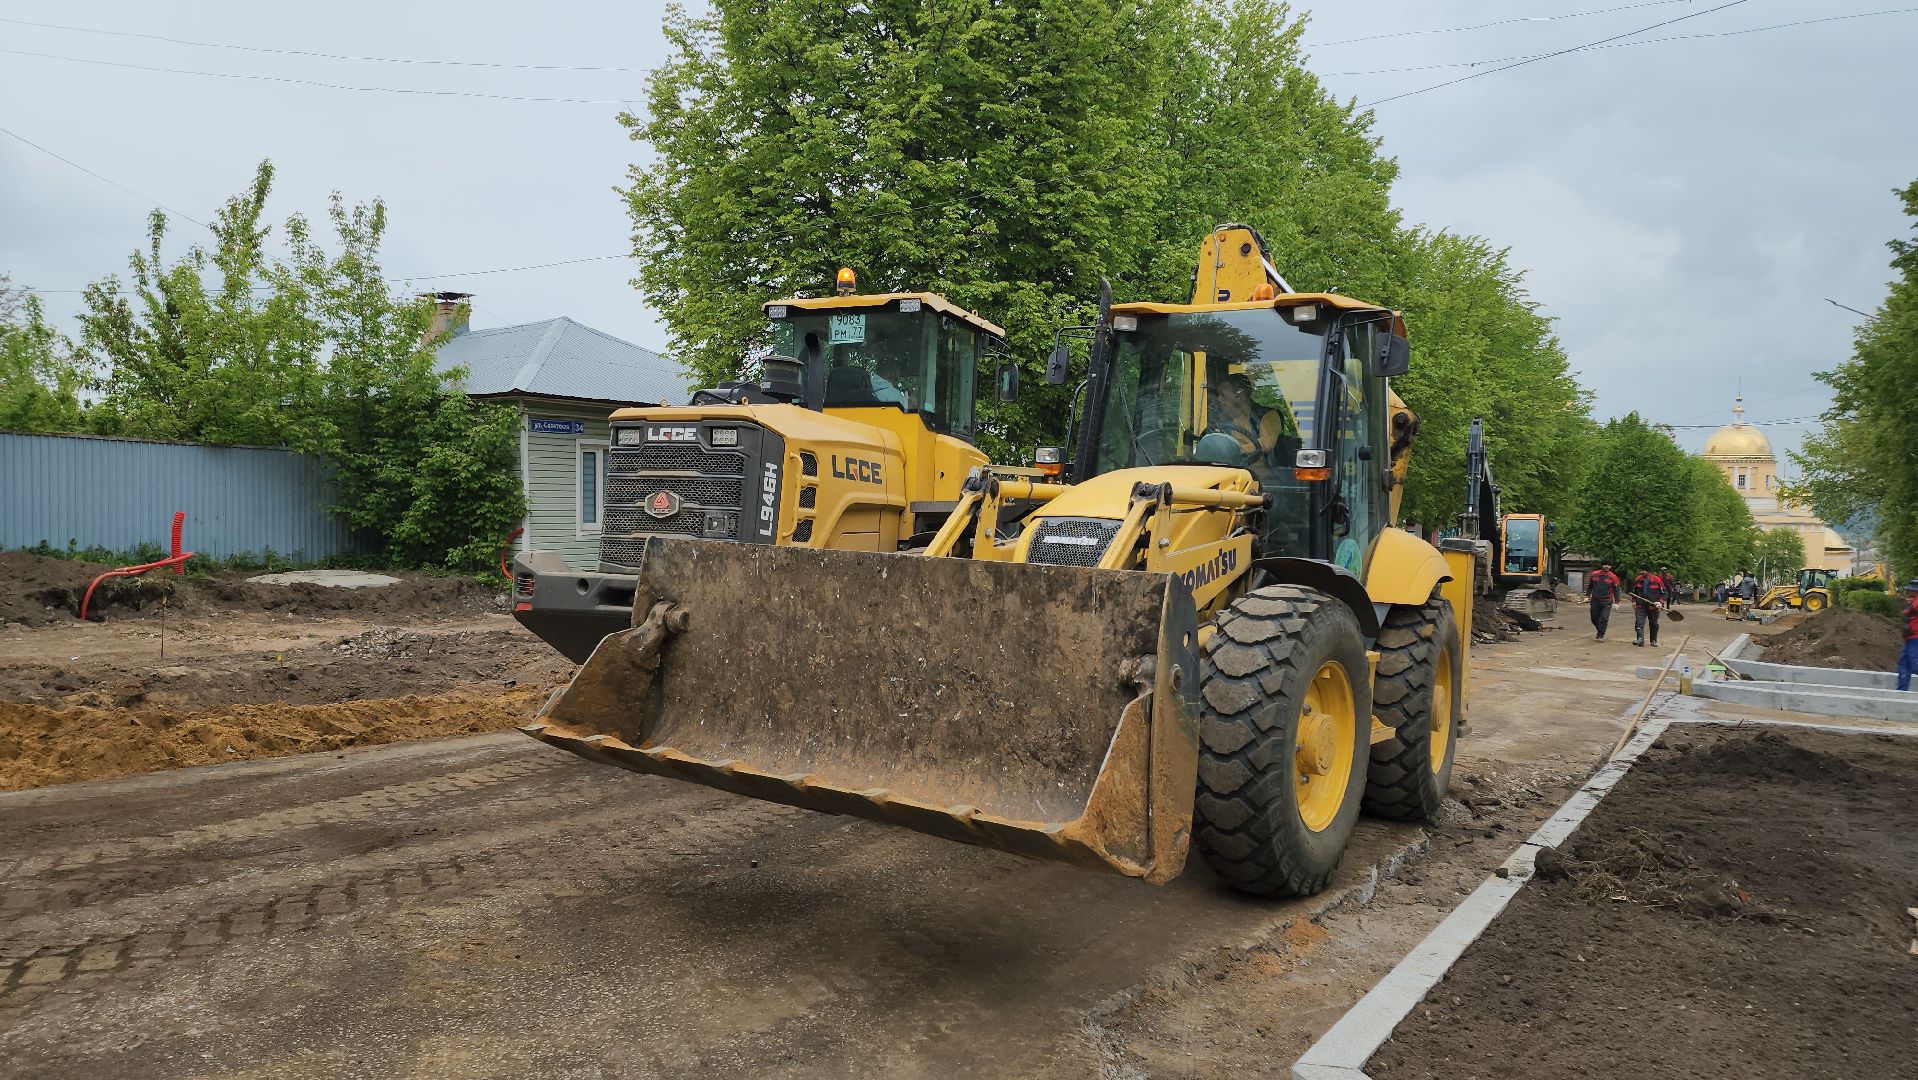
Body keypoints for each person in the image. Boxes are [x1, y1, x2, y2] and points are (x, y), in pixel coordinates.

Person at [1630, 564, 1669, 647]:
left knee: (1654, 624)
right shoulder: (1638, 579)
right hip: (1641, 605)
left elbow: (1665, 593)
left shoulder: (1657, 580)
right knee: (1639, 623)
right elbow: (1634, 592)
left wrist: (1660, 602)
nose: (1641, 572)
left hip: (1653, 606)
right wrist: (1633, 601)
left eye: (1643, 570)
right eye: (1641, 570)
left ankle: (1653, 640)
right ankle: (1640, 639)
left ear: (1648, 571)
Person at [1586, 561, 1623, 641]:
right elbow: (1590, 586)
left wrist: (1617, 602)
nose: (1607, 566)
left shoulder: (1613, 577)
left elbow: (1616, 590)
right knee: (1594, 618)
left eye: (1609, 565)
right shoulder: (1594, 574)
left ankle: (1601, 635)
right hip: (1595, 600)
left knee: (1604, 618)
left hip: (1606, 600)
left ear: (1610, 567)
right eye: (1605, 565)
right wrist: (1587, 596)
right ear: (1602, 565)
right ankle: (1600, 629)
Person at [1899, 580, 1918, 692]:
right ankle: (1901, 692)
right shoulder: (1913, 601)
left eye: (1910, 589)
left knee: (1915, 665)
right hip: (1909, 639)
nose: (1908, 591)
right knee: (1904, 665)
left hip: (1915, 638)